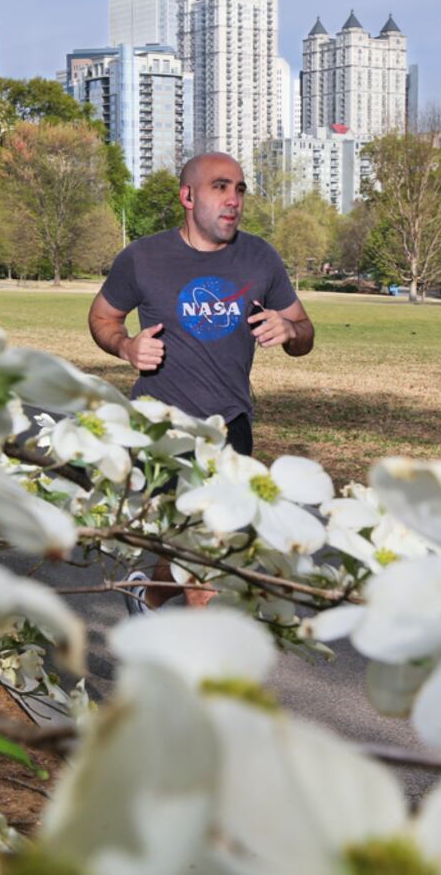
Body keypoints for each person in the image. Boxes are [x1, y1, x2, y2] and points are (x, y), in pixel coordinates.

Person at [88, 151, 314, 610]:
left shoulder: (260, 258)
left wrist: (290, 330)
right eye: (220, 187)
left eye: (240, 189)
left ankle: (147, 598)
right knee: (203, 556)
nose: (234, 199)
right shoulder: (143, 258)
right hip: (163, 427)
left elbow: (305, 332)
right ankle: (209, 653)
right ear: (187, 197)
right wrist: (126, 347)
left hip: (232, 425)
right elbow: (102, 317)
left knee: (186, 548)